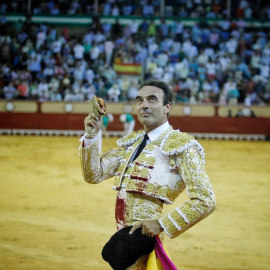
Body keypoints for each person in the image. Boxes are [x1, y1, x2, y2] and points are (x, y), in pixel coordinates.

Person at [79, 80, 216, 269]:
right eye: (140, 100)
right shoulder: (132, 142)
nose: (144, 105)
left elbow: (205, 199)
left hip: (144, 241)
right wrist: (91, 135)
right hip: (123, 238)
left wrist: (161, 224)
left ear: (167, 106)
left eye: (152, 100)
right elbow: (94, 174)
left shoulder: (182, 146)